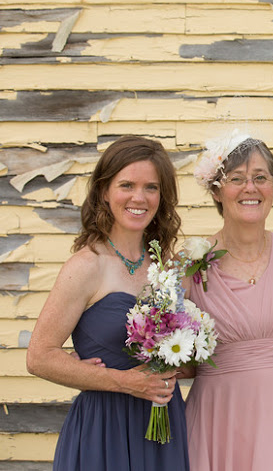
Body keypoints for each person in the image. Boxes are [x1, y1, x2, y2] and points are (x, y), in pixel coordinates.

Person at [26, 136, 188, 470]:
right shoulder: (87, 266)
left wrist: (175, 364)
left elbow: (190, 357)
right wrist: (124, 381)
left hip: (163, 424)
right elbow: (39, 357)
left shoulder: (168, 268)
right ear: (104, 191)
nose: (139, 198)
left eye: (151, 187)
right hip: (104, 428)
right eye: (127, 185)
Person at [184, 131, 273, 471]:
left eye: (260, 178)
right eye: (236, 179)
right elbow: (169, 346)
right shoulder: (190, 264)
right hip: (218, 420)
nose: (250, 188)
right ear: (215, 191)